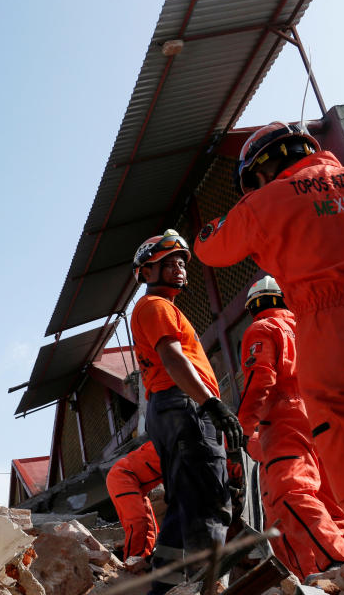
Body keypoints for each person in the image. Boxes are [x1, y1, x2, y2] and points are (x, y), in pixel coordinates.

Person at [194, 121, 344, 556]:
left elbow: (208, 247)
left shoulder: (264, 203)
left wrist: (244, 429)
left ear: (260, 172)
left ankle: (336, 563)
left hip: (333, 339)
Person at [129, 230, 242, 594]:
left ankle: (164, 589)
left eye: (181, 263)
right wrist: (211, 403)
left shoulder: (160, 308)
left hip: (172, 409)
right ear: (146, 271)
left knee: (184, 507)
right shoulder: (156, 307)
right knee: (210, 504)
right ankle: (206, 589)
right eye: (169, 263)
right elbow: (173, 358)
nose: (179, 268)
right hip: (184, 407)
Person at [237, 276, 344, 578]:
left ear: (254, 308)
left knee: (290, 491)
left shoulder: (262, 328)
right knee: (328, 498)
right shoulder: (308, 329)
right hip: (322, 416)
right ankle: (343, 560)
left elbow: (260, 378)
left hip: (284, 415)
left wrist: (243, 428)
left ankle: (337, 562)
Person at [105, 441, 162, 564]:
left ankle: (144, 558)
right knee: (138, 523)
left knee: (151, 528)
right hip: (122, 476)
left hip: (136, 483)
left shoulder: (169, 441)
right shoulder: (173, 446)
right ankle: (131, 564)